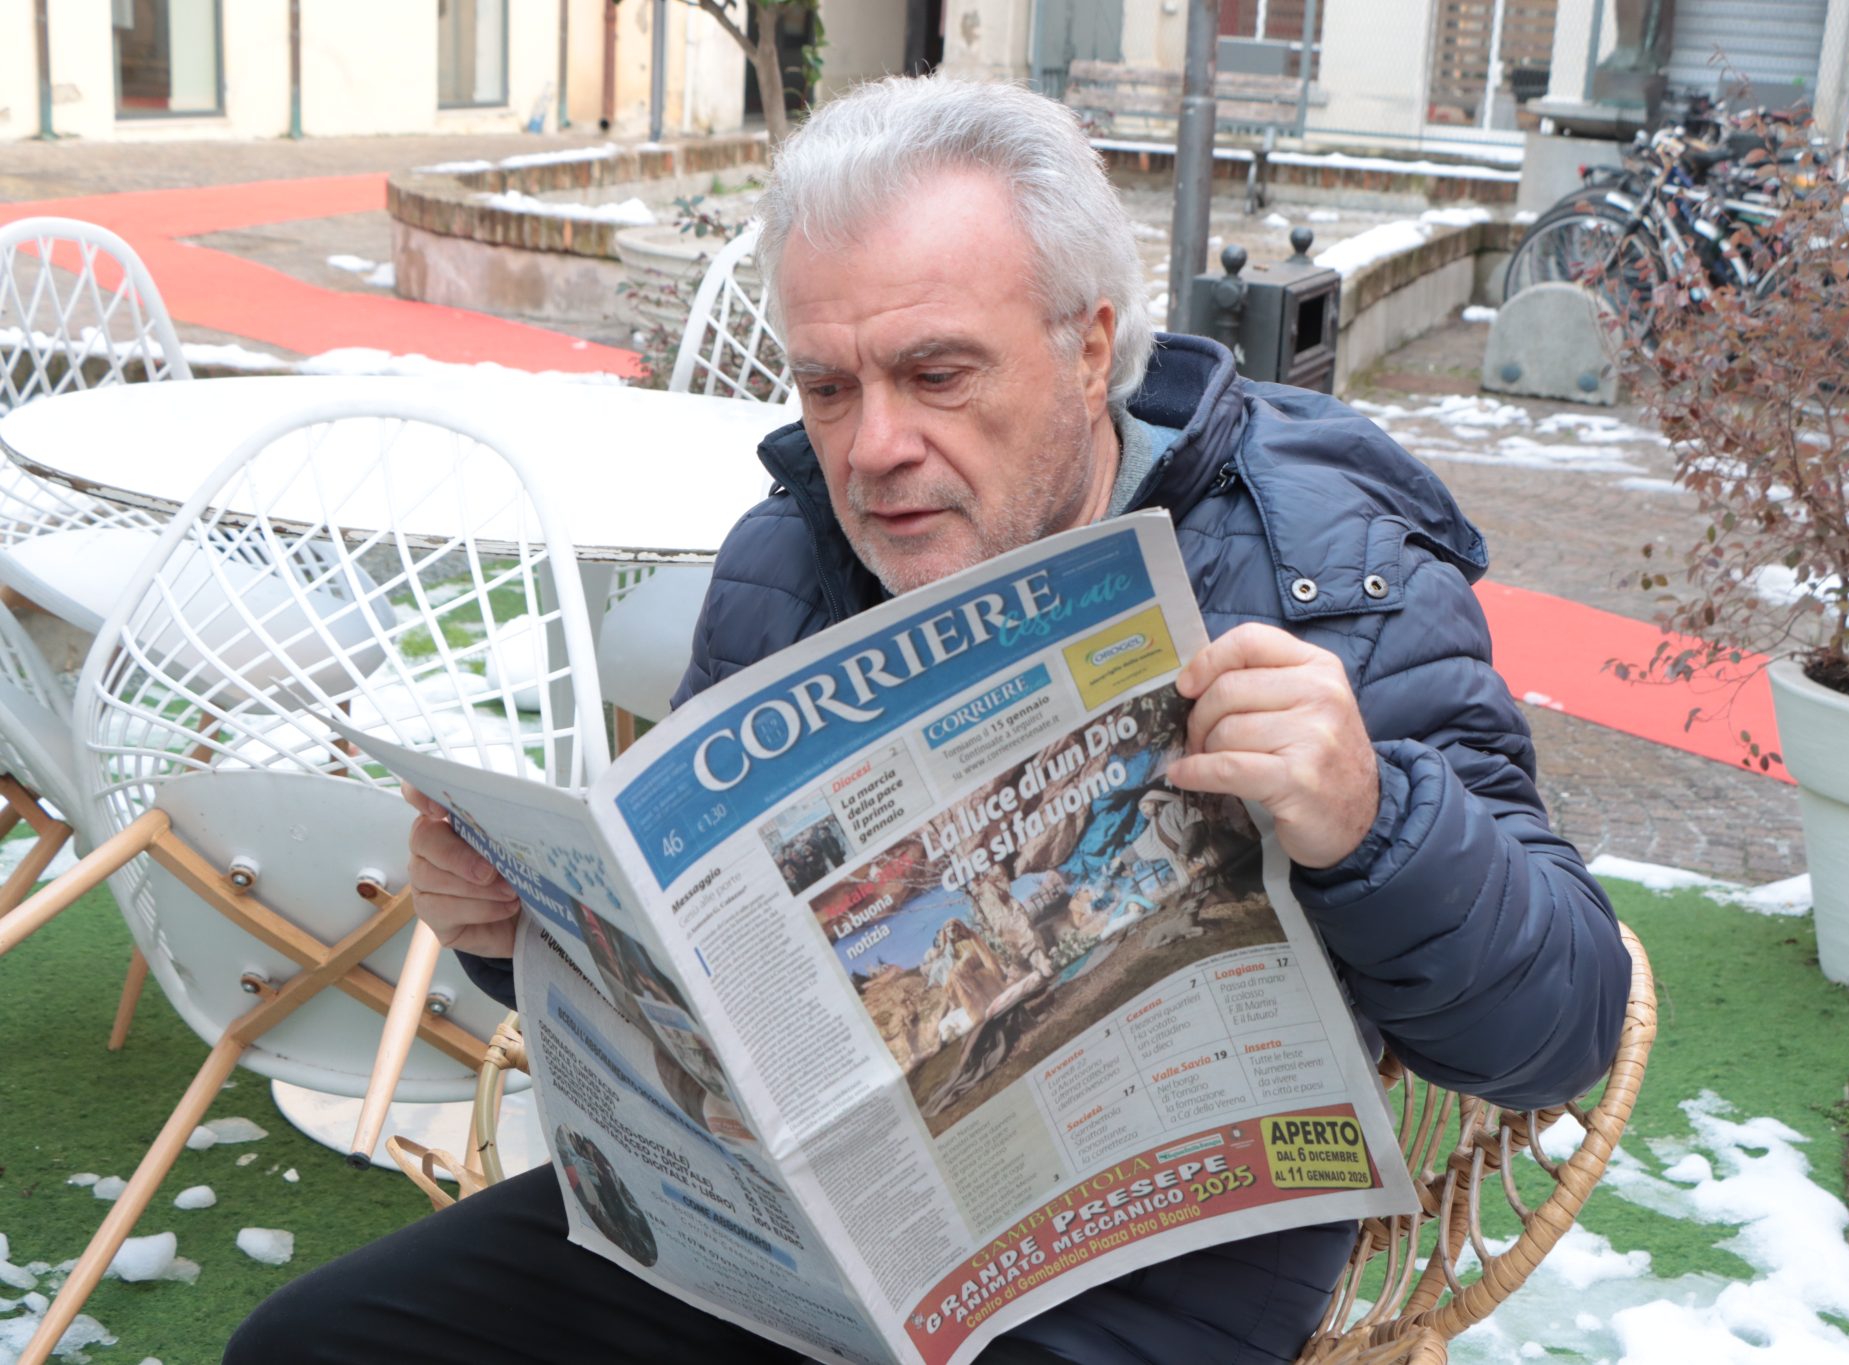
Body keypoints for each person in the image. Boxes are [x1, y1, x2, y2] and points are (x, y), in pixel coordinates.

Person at [229, 74, 1629, 1365]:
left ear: (1091, 350)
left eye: (936, 374)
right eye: (828, 386)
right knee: (311, 1345)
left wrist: (1375, 820)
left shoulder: (1327, 565)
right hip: (782, 1228)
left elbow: (1558, 1029)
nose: (872, 447)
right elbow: (706, 981)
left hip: (1136, 1271)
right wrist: (508, 934)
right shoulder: (784, 562)